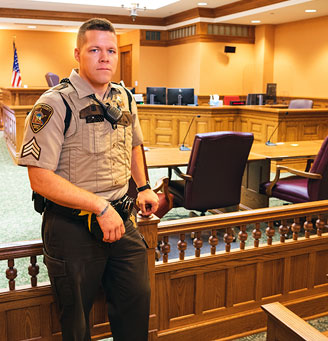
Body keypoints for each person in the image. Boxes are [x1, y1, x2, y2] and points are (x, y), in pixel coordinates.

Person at [18, 18, 159, 341]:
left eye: (110, 50)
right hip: (72, 228)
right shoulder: (54, 104)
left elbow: (134, 144)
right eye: (94, 49)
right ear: (77, 54)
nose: (105, 57)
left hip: (122, 221)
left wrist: (145, 186)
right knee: (77, 322)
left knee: (135, 310)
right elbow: (39, 178)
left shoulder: (124, 97)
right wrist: (99, 207)